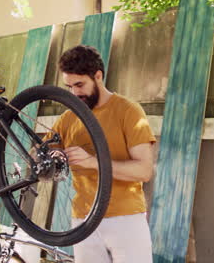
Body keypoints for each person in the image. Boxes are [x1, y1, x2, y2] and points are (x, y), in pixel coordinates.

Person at [50, 45, 156, 263]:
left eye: (79, 85)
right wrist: (51, 159)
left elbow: (144, 171)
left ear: (98, 76)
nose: (74, 93)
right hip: (83, 220)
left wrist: (92, 162)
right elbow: (39, 153)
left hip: (125, 218)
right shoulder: (68, 118)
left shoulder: (128, 111)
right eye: (69, 86)